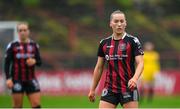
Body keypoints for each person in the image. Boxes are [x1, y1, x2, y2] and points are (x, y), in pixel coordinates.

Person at [88, 10, 144, 108]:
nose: (119, 24)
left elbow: (140, 63)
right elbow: (99, 67)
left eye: (122, 21)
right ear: (110, 23)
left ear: (125, 23)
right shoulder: (104, 43)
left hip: (128, 88)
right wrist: (93, 89)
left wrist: (135, 78)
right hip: (109, 89)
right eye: (116, 21)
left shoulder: (133, 41)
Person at [4, 22, 42, 108]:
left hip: (31, 79)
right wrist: (8, 78)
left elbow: (39, 62)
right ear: (18, 32)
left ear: (28, 31)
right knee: (17, 106)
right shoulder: (12, 45)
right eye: (20, 30)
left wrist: (34, 61)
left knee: (36, 105)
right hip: (17, 80)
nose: (23, 32)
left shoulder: (34, 45)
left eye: (25, 30)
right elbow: (7, 63)